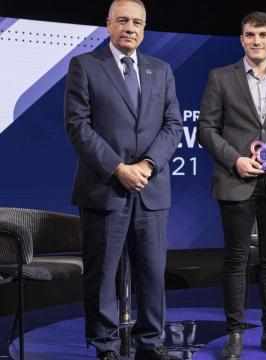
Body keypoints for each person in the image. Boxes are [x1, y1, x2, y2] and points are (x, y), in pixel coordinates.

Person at [64, 1, 182, 359]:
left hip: (150, 189)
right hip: (105, 188)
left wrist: (146, 164)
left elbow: (172, 125)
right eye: (123, 21)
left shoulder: (160, 70)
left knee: (152, 274)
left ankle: (151, 342)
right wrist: (118, 168)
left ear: (144, 28)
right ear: (108, 24)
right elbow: (78, 126)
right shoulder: (84, 65)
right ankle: (105, 346)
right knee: (102, 275)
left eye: (137, 22)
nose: (130, 27)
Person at [197, 11, 266, 359]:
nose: (256, 40)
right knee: (236, 260)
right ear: (241, 39)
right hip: (237, 180)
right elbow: (206, 129)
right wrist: (235, 159)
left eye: (263, 34)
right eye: (250, 34)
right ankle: (235, 333)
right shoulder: (220, 77)